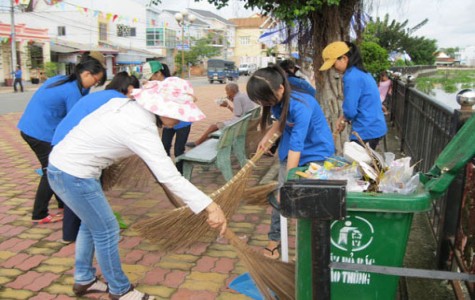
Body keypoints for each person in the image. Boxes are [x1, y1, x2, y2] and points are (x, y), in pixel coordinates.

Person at [47, 77, 227, 299]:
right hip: (73, 174)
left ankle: (84, 278)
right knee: (107, 230)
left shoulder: (125, 105)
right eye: (179, 112)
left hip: (65, 167)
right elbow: (170, 177)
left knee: (91, 224)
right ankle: (120, 290)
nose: (181, 118)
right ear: (161, 107)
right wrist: (210, 206)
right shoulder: (140, 127)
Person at [246, 66, 335, 259]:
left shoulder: (301, 105)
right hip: (292, 153)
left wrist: (288, 186)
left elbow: (297, 145)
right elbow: (280, 121)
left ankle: (310, 249)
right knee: (280, 200)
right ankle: (274, 242)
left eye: (264, 99)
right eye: (259, 101)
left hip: (316, 154)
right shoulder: (279, 99)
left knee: (308, 199)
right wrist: (267, 136)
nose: (263, 103)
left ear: (280, 89)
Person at [17, 51, 107, 224]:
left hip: (32, 126)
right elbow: (76, 120)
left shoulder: (65, 79)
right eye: (95, 81)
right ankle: (39, 214)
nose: (94, 85)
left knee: (57, 166)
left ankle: (62, 204)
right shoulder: (72, 90)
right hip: (39, 132)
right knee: (51, 170)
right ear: (86, 73)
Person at [51, 71, 139, 244]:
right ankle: (98, 232)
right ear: (129, 89)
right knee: (88, 191)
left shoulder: (100, 95)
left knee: (76, 192)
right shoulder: (119, 102)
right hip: (77, 149)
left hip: (62, 144)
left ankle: (70, 234)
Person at [319, 41, 387, 150]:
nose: (333, 68)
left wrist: (343, 119)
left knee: (358, 165)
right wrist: (343, 118)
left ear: (344, 58)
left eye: (333, 64)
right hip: (375, 126)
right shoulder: (361, 73)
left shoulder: (351, 77)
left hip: (366, 130)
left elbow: (350, 111)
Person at [142, 61, 192, 174]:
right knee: (164, 147)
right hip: (168, 122)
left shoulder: (172, 83)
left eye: (151, 77)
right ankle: (168, 172)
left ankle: (181, 173)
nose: (149, 80)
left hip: (182, 121)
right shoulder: (155, 85)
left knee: (179, 149)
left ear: (158, 73)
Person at [186, 82, 257, 147]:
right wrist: (232, 100)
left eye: (227, 91)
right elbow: (241, 109)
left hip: (239, 123)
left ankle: (197, 143)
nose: (226, 93)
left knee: (213, 126)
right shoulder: (244, 95)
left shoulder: (237, 98)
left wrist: (228, 106)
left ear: (231, 91)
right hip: (246, 120)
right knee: (217, 125)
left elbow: (237, 114)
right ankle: (208, 137)